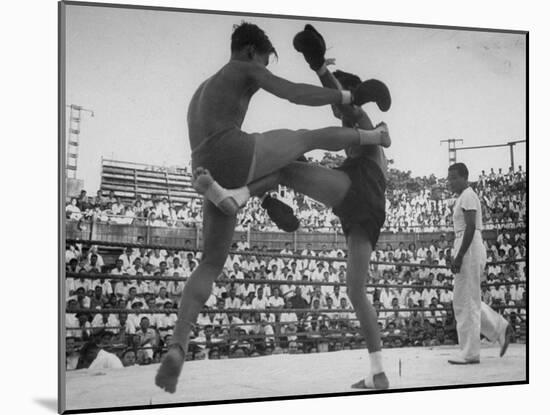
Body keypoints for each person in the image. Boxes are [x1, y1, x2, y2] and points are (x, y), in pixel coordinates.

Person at [155, 22, 391, 393]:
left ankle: (178, 343)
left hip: (212, 162)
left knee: (298, 151)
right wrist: (322, 72)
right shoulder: (247, 69)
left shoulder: (206, 89)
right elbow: (329, 98)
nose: (264, 67)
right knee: (299, 150)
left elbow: (343, 102)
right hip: (362, 201)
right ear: (252, 51)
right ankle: (379, 372)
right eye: (264, 60)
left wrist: (340, 89)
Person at [447, 162, 512, 364]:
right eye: (449, 178)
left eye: (453, 178)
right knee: (466, 298)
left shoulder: (468, 195)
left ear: (464, 177)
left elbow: (470, 227)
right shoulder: (462, 197)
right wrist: (455, 252)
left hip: (469, 247)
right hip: (465, 246)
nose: (450, 182)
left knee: (466, 300)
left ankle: (470, 353)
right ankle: (500, 327)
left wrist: (459, 256)